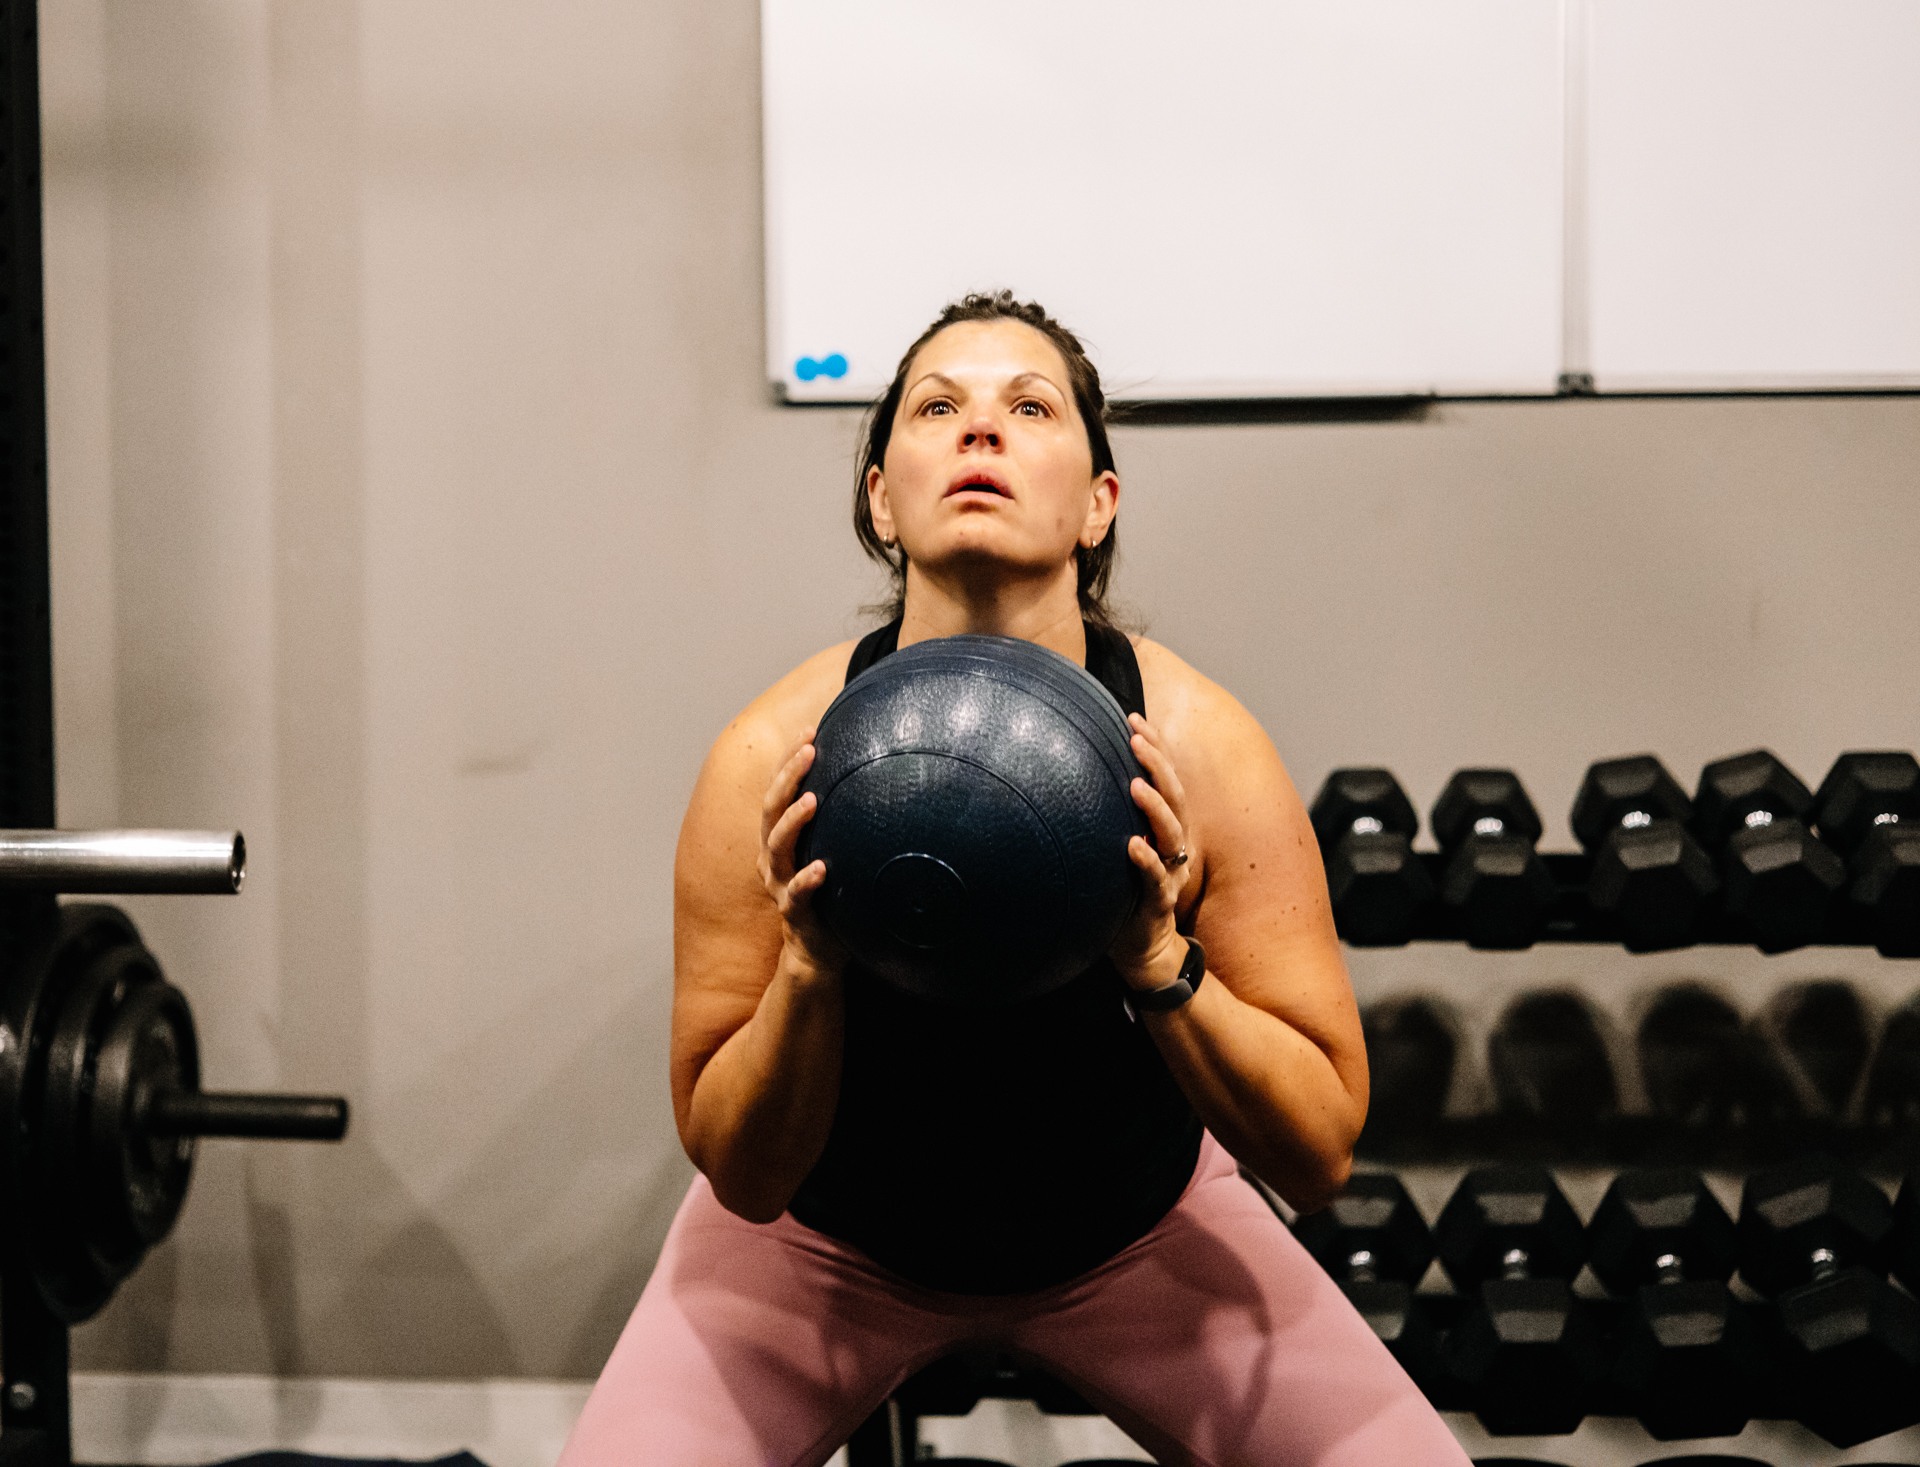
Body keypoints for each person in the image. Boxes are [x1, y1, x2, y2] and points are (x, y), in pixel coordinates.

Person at [559, 293, 1471, 1466]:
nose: (980, 429)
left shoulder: (1200, 749)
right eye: (938, 408)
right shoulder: (772, 760)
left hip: (1135, 1233)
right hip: (827, 1249)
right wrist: (810, 969)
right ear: (881, 499)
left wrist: (1157, 960)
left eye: (1029, 408)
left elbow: (1320, 1152)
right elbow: (743, 1176)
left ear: (1099, 504)